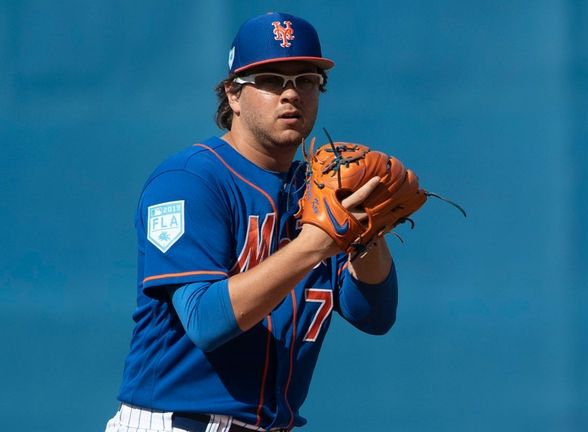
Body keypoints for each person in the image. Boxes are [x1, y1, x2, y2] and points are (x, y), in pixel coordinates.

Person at [105, 12, 397, 432]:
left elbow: (374, 314)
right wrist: (314, 243)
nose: (291, 94)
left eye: (306, 80)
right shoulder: (188, 181)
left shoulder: (319, 191)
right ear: (233, 95)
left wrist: (370, 231)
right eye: (271, 80)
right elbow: (205, 320)